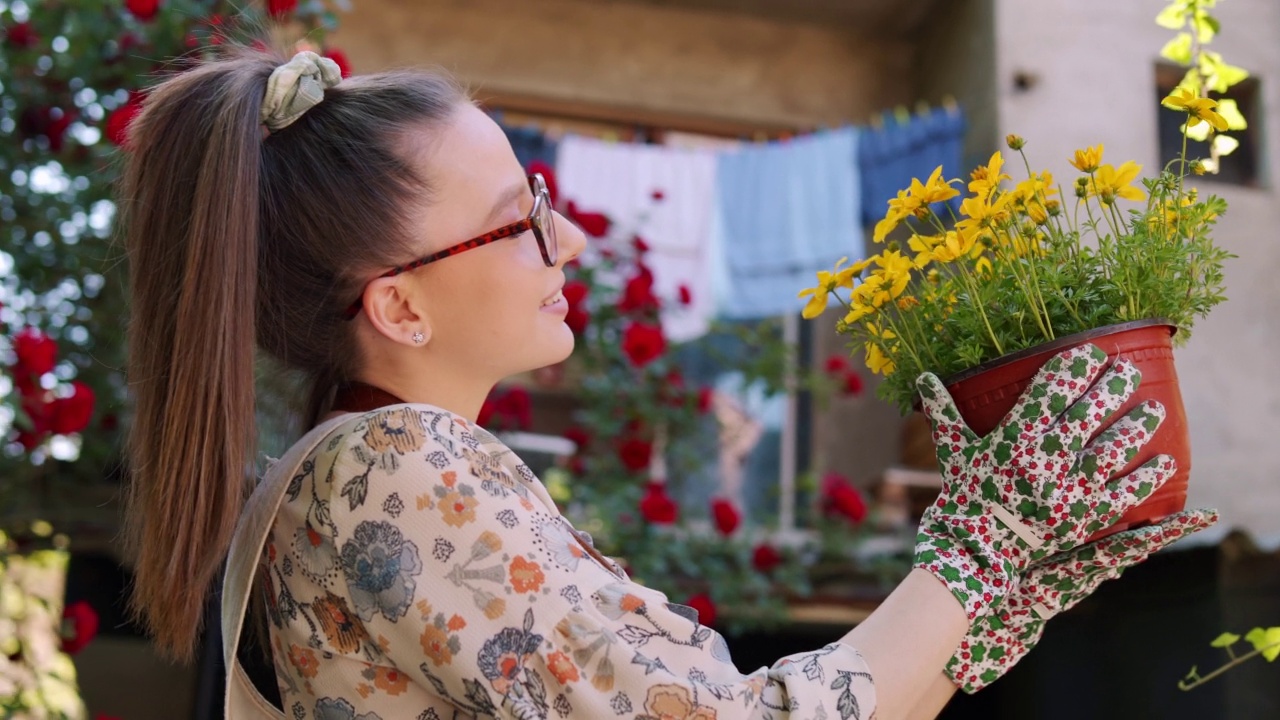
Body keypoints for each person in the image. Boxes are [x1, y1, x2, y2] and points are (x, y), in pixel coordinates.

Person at [119, 48, 1216, 720]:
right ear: (399, 306)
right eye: (520, 220)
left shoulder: (337, 474)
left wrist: (995, 589)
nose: (570, 240)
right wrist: (987, 548)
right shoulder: (399, 468)